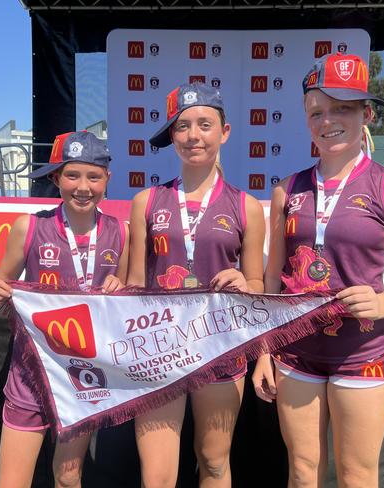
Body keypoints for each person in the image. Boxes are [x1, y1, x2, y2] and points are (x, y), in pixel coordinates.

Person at [252, 53, 384, 488]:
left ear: (367, 114)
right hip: (295, 352)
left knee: (357, 476)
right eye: (317, 111)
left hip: (362, 355)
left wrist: (381, 303)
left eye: (342, 108)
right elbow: (271, 281)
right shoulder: (287, 189)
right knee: (302, 473)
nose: (328, 120)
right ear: (306, 120)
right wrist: (264, 349)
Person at [0, 131, 129, 488]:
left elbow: (123, 302)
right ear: (56, 178)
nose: (83, 187)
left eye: (94, 176)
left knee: (70, 477)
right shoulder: (29, 227)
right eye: (72, 175)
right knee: (12, 481)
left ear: (108, 179)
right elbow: (2, 286)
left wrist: (121, 289)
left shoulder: (122, 233)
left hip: (83, 376)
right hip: (31, 371)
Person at [127, 82, 265, 488]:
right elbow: (136, 283)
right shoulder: (146, 201)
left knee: (214, 462)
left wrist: (244, 280)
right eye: (182, 126)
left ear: (224, 132)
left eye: (205, 124)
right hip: (159, 346)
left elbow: (257, 282)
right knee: (156, 475)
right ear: (172, 136)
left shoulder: (246, 206)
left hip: (218, 345)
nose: (193, 136)